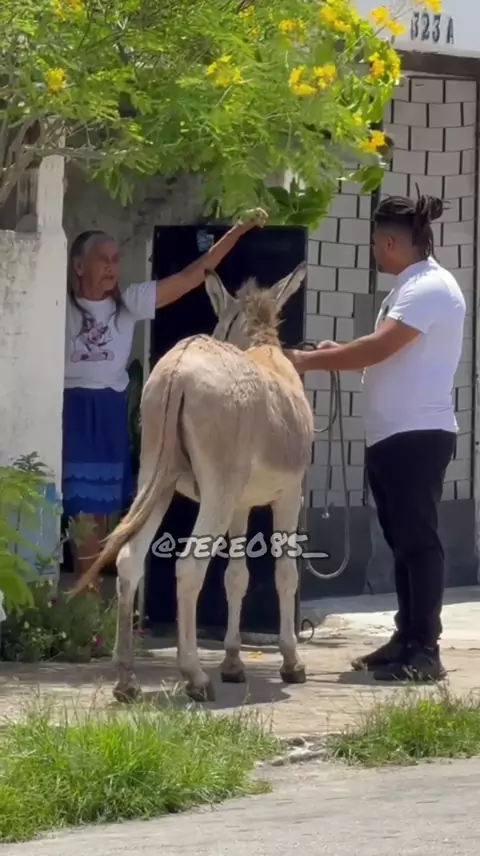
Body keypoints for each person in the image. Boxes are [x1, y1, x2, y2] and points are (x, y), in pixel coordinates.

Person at [287, 194, 465, 682]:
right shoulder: (410, 287)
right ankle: (405, 638)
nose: (372, 251)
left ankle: (425, 650)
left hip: (416, 437)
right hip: (392, 437)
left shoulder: (428, 287)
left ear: (389, 242)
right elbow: (381, 351)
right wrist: (338, 351)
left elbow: (378, 348)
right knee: (402, 541)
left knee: (419, 543)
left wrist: (307, 361)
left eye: (373, 243)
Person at [63, 208, 267, 578]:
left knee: (101, 518)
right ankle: (86, 597)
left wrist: (238, 231)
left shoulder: (127, 303)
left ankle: (88, 599)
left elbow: (191, 276)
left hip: (109, 414)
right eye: (102, 259)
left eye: (115, 259)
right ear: (79, 266)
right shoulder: (60, 307)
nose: (111, 266)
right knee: (81, 519)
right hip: (74, 415)